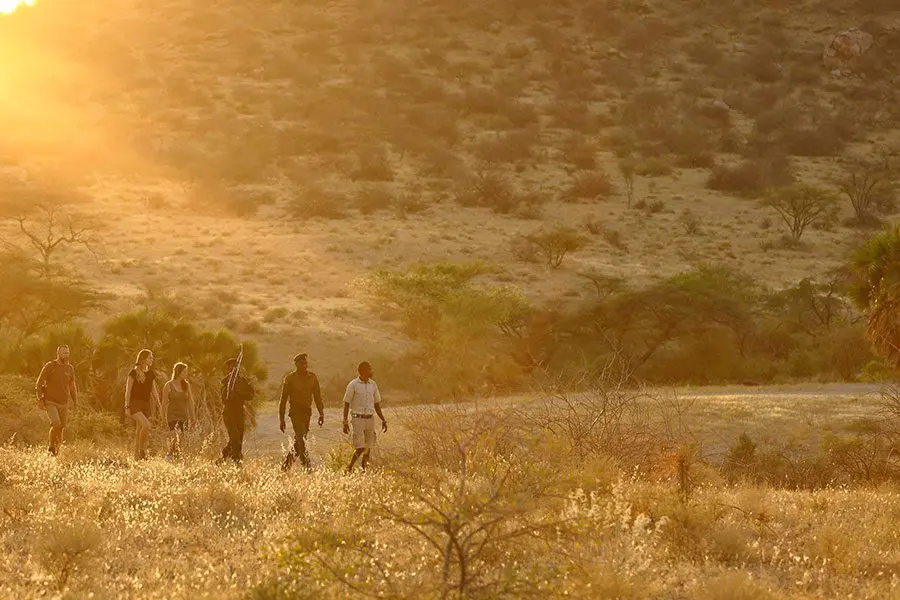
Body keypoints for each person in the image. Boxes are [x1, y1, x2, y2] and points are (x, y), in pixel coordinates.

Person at [279, 353, 325, 471]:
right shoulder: (290, 378)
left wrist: (321, 413)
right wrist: (282, 419)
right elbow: (283, 400)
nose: (304, 365)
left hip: (307, 412)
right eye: (301, 363)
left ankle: (285, 467)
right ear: (296, 364)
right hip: (295, 412)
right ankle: (307, 467)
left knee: (299, 442)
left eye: (305, 363)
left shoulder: (312, 377)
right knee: (301, 438)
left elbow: (317, 396)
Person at [342, 361, 387, 474]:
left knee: (368, 447)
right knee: (360, 447)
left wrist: (383, 419)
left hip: (370, 418)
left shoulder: (373, 385)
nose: (371, 371)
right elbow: (346, 403)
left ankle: (363, 470)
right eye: (369, 369)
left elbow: (377, 403)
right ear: (362, 371)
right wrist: (345, 421)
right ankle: (349, 468)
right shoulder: (353, 385)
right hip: (357, 418)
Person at [35, 345, 78, 456]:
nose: (66, 355)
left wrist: (75, 401)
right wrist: (40, 399)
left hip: (64, 402)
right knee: (56, 423)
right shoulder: (50, 366)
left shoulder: (70, 368)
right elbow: (39, 382)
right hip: (50, 401)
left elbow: (72, 385)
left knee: (62, 427)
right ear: (58, 354)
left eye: (67, 353)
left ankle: (56, 452)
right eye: (64, 353)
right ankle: (51, 446)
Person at [124, 349, 161, 461]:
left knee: (139, 430)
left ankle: (136, 457)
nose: (152, 359)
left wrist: (160, 406)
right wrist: (126, 407)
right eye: (150, 357)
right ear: (143, 359)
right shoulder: (133, 373)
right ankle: (142, 451)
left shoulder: (150, 374)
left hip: (145, 405)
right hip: (135, 404)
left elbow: (153, 391)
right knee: (146, 425)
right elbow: (128, 391)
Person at [220, 357, 254, 464]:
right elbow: (223, 399)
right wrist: (230, 394)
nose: (234, 369)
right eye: (232, 367)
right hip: (229, 413)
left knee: (238, 438)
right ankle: (237, 461)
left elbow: (251, 395)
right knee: (235, 438)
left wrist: (239, 394)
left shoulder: (243, 381)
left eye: (236, 366)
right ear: (229, 369)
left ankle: (224, 456)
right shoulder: (226, 382)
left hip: (239, 412)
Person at [162, 362, 196, 460]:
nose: (186, 373)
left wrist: (193, 416)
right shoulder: (168, 385)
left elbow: (190, 401)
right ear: (178, 372)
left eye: (186, 371)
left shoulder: (186, 385)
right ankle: (169, 456)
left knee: (181, 439)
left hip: (183, 415)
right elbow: (164, 403)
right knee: (175, 436)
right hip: (172, 415)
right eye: (184, 371)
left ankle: (176, 457)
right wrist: (163, 418)